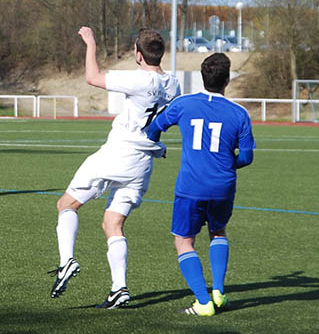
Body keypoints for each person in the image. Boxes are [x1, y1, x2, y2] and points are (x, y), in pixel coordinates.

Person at [51, 26, 180, 308]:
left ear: (138, 53)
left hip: (118, 155)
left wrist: (91, 43)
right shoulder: (173, 84)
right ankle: (119, 288)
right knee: (113, 223)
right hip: (143, 164)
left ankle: (66, 262)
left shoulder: (139, 80)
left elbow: (92, 77)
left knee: (67, 204)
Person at [146, 52, 255, 317]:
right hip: (223, 187)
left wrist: (158, 145)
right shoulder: (239, 113)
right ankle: (218, 292)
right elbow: (248, 157)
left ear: (201, 77)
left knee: (184, 241)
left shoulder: (184, 104)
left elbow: (153, 128)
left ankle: (203, 302)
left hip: (190, 187)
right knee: (218, 232)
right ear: (227, 80)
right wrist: (228, 166)